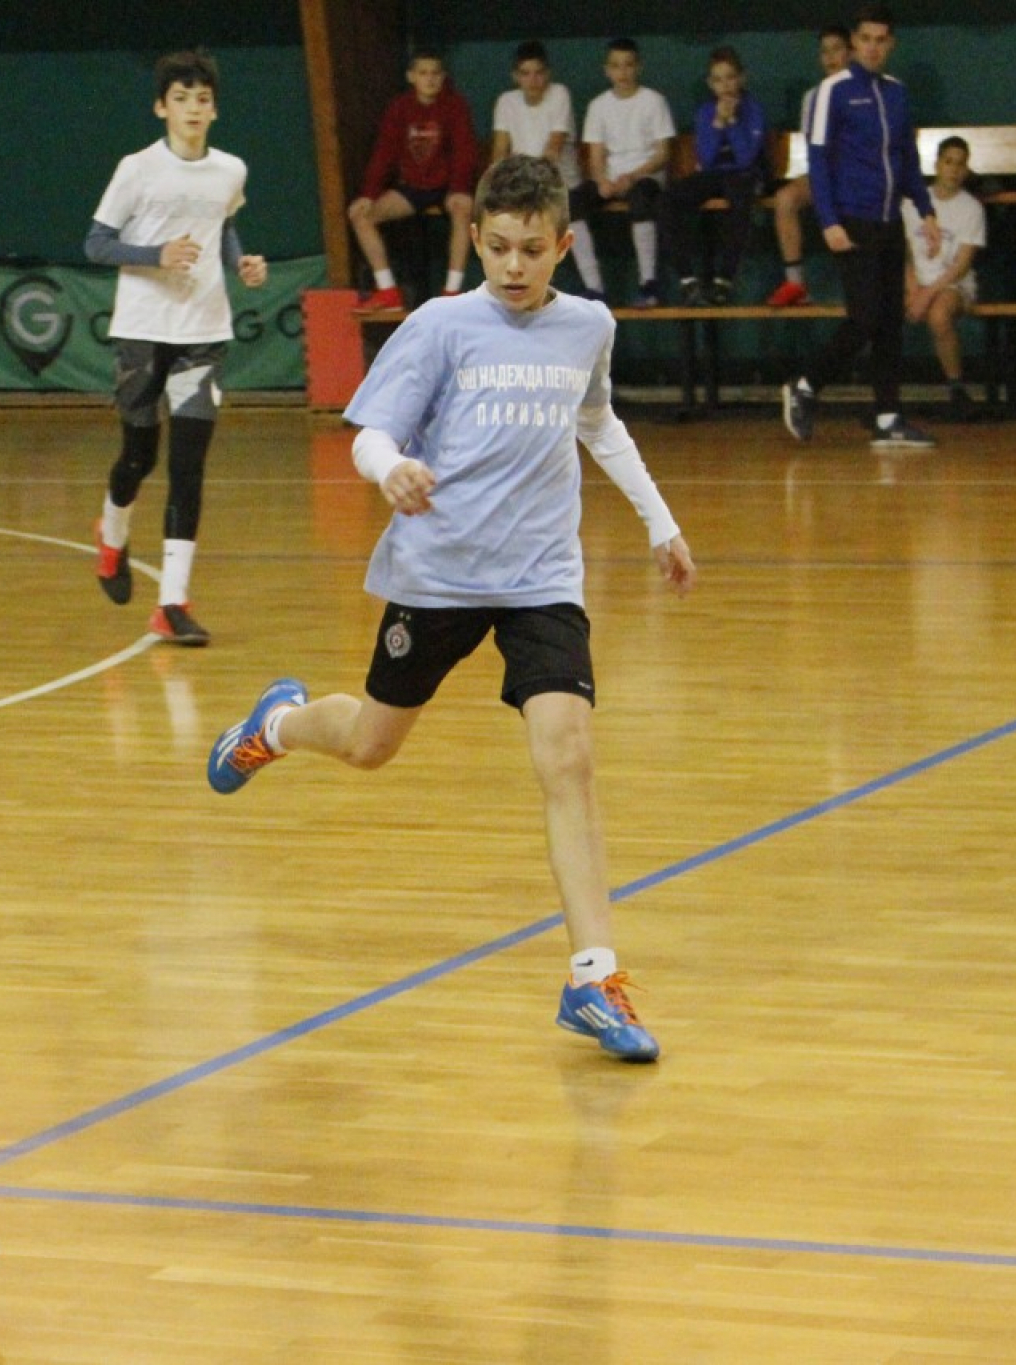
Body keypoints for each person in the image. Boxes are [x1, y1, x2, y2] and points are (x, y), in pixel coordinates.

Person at [205, 155, 697, 1064]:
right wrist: (388, 469)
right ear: (477, 239)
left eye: (533, 249)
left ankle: (594, 977)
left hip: (543, 576)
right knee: (370, 746)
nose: (515, 265)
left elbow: (599, 424)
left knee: (570, 756)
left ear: (564, 245)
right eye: (499, 247)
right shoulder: (441, 325)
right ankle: (278, 723)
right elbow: (375, 429)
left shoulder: (588, 324)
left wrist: (660, 524)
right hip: (438, 573)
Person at [85, 49, 268, 646]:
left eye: (204, 99)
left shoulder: (230, 171)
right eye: (182, 98)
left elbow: (224, 222)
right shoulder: (137, 169)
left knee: (188, 467)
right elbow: (97, 244)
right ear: (162, 107)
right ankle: (111, 536)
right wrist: (154, 256)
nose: (194, 108)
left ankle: (172, 604)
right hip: (142, 330)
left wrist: (239, 259)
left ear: (215, 110)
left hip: (204, 334)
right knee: (139, 458)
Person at [780, 5, 942, 451]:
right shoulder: (831, 92)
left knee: (890, 322)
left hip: (890, 222)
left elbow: (906, 159)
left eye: (881, 39)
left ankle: (888, 417)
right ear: (854, 43)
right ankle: (806, 385)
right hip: (851, 221)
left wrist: (925, 210)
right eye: (865, 39)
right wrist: (828, 220)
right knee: (865, 317)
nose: (872, 47)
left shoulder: (897, 93)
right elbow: (817, 160)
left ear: (890, 44)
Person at [350, 50, 479, 312]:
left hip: (447, 187)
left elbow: (465, 151)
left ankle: (452, 292)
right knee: (359, 214)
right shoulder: (399, 107)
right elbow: (384, 153)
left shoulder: (455, 105)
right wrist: (368, 194)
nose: (429, 79)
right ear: (411, 77)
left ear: (443, 77)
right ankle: (387, 291)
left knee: (464, 209)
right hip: (411, 187)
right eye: (423, 73)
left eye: (435, 73)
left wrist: (459, 188)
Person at [489, 40, 605, 299]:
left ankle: (595, 287)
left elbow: (553, 149)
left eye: (539, 72)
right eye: (526, 73)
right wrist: (502, 182)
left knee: (572, 214)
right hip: (521, 184)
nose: (533, 80)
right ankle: (520, 290)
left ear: (548, 74)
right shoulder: (506, 102)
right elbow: (499, 153)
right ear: (515, 76)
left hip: (561, 184)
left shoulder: (560, 94)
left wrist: (526, 177)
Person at [660, 46, 767, 306]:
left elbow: (745, 158)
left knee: (742, 199)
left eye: (730, 77)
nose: (726, 85)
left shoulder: (754, 110)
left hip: (744, 174)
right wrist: (718, 123)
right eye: (718, 80)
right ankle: (687, 280)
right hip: (714, 175)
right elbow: (706, 160)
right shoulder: (705, 112)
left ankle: (724, 280)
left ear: (741, 78)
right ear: (711, 84)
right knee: (667, 200)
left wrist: (731, 123)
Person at [578, 38, 676, 308]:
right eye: (616, 66)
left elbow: (662, 154)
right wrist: (602, 181)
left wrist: (632, 176)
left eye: (628, 65)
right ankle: (594, 288)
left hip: (645, 178)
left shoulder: (654, 101)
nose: (622, 72)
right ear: (607, 70)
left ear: (638, 68)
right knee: (573, 203)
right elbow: (596, 156)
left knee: (642, 198)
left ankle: (649, 284)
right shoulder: (598, 106)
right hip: (610, 179)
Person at [765, 24, 852, 306]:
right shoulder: (812, 97)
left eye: (836, 49)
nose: (830, 57)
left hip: (859, 177)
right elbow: (814, 147)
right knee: (785, 198)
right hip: (824, 174)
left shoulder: (864, 91)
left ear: (850, 52)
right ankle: (796, 282)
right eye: (825, 51)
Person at [903, 136, 986, 419]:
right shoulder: (912, 203)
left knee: (939, 315)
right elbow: (906, 254)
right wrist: (913, 288)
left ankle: (955, 388)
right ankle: (886, 397)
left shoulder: (971, 209)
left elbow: (961, 266)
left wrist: (927, 294)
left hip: (952, 283)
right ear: (937, 164)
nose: (953, 169)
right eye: (948, 162)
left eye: (960, 164)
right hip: (917, 280)